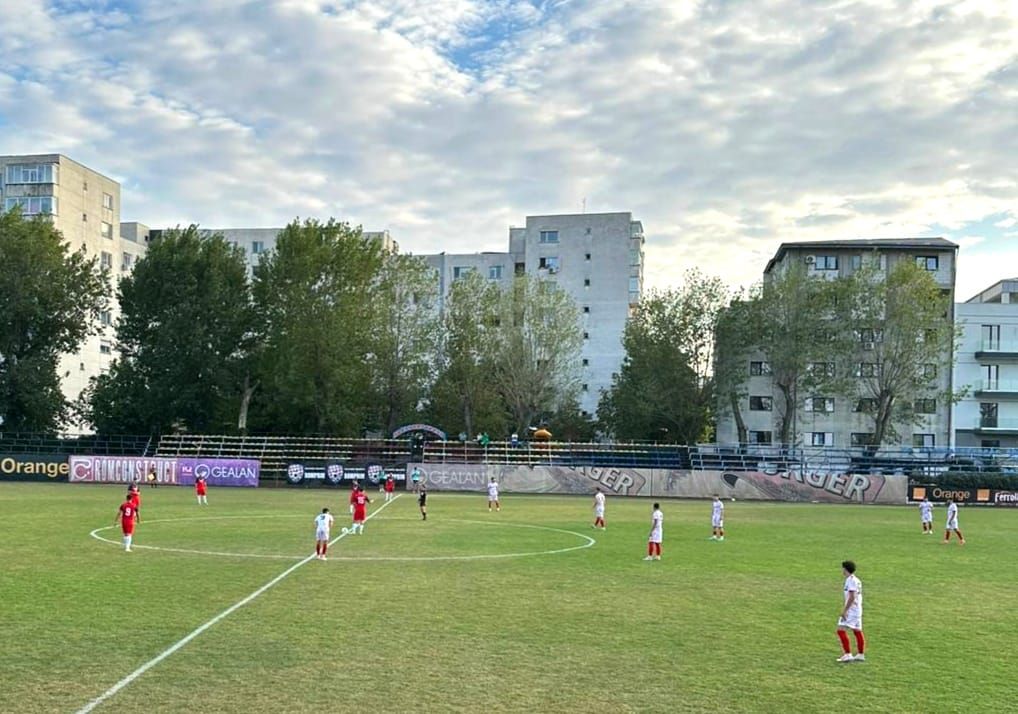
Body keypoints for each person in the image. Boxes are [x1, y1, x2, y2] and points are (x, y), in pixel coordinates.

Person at [836, 560, 865, 662]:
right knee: (857, 631)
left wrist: (845, 610)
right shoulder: (856, 580)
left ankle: (848, 654)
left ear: (845, 569)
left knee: (840, 630)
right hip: (857, 610)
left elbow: (852, 596)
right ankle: (860, 654)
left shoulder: (851, 581)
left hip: (852, 611)